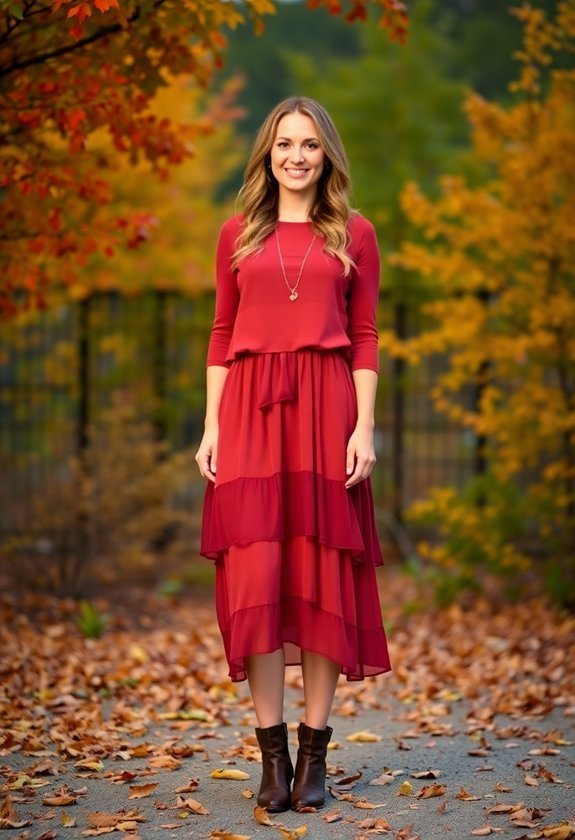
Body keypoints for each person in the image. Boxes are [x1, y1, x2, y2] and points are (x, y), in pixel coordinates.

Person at [195, 96, 391, 813]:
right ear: (267, 155)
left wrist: (363, 427)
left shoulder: (354, 233)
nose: (297, 156)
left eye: (310, 144)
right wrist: (211, 425)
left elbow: (364, 335)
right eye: (285, 144)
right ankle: (270, 762)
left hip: (324, 408)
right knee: (258, 578)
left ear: (326, 154)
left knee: (318, 580)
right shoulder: (236, 235)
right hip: (249, 413)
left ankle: (314, 761)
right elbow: (220, 333)